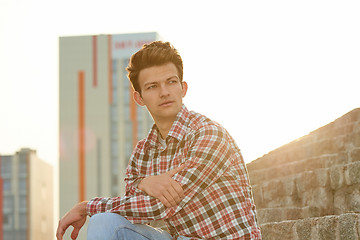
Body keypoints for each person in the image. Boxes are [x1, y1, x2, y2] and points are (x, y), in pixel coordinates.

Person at [56, 41, 262, 240]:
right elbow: (131, 204)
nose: (164, 92)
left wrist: (86, 206)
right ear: (139, 98)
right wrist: (145, 182)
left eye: (171, 82)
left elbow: (159, 206)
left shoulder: (209, 135)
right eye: (153, 86)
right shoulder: (142, 153)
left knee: (98, 213)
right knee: (104, 222)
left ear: (183, 88)